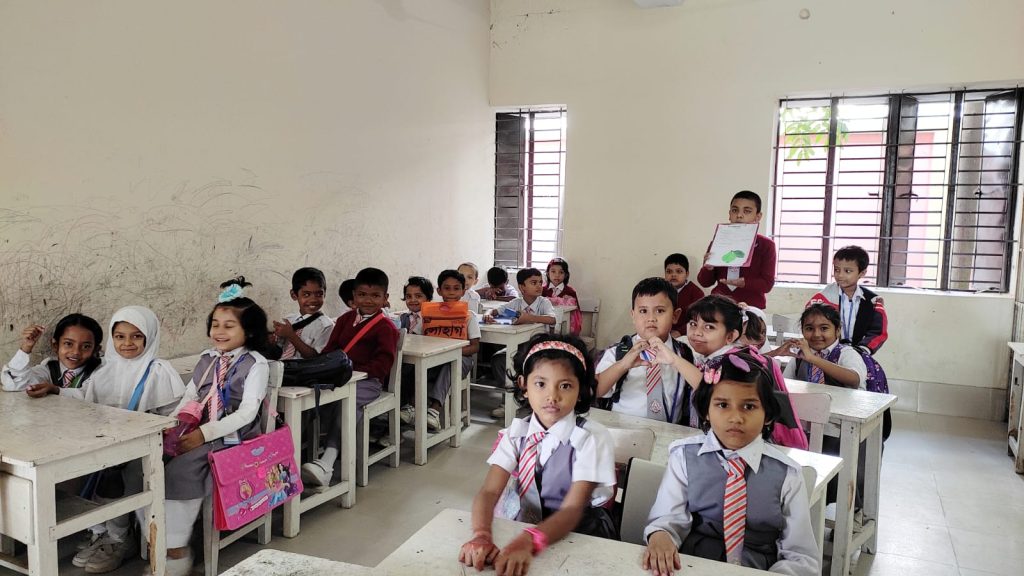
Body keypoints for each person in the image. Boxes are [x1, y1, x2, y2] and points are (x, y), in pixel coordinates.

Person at [642, 350, 818, 576]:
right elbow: (668, 517)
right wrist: (661, 536)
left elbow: (801, 557)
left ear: (767, 415)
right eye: (723, 405)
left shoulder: (788, 474)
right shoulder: (683, 456)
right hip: (690, 565)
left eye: (749, 406)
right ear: (706, 411)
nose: (735, 418)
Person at [459, 334, 617, 576]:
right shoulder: (516, 433)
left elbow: (572, 509)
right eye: (541, 384)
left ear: (581, 390)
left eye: (565, 386)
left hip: (578, 535)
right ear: (523, 385)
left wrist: (528, 540)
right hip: (524, 531)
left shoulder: (591, 438)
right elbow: (489, 491)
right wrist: (481, 535)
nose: (552, 396)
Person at [158, 278, 273, 576]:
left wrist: (204, 434)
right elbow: (190, 397)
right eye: (215, 324)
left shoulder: (255, 364)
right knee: (149, 463)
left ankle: (177, 550)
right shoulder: (207, 359)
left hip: (234, 435)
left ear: (249, 331)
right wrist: (173, 426)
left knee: (180, 469)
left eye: (229, 326)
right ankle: (157, 536)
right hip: (200, 427)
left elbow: (247, 413)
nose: (219, 332)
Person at [63, 306, 186, 574]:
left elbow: (175, 416)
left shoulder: (158, 371)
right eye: (119, 336)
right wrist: (56, 391)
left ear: (149, 337)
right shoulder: (105, 369)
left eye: (136, 336)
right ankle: (100, 532)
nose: (127, 343)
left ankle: (119, 538)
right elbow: (85, 397)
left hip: (146, 448)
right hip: (107, 442)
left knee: (123, 477)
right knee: (87, 468)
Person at [303, 267, 399, 486]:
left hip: (367, 382)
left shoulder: (386, 328)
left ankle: (327, 463)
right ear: (354, 296)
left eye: (375, 295)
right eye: (362, 294)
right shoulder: (345, 319)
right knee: (310, 397)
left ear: (385, 298)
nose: (368, 300)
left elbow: (382, 366)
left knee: (347, 403)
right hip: (339, 378)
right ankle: (301, 454)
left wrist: (350, 371)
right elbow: (330, 350)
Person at [595, 277, 701, 424]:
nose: (651, 318)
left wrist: (675, 361)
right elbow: (596, 391)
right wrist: (622, 365)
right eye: (643, 311)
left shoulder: (685, 354)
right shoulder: (617, 352)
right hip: (622, 429)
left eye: (660, 311)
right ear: (633, 316)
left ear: (675, 315)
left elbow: (705, 391)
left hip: (670, 431)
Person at [697, 191, 776, 309]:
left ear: (758, 216)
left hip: (751, 307)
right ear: (729, 214)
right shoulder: (718, 242)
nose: (739, 215)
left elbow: (767, 284)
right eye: (735, 210)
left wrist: (744, 283)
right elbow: (704, 282)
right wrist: (707, 268)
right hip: (719, 306)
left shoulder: (766, 245)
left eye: (747, 211)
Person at [806, 245, 888, 354]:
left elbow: (878, 332)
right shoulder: (822, 299)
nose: (840, 275)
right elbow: (810, 327)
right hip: (825, 355)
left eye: (847, 271)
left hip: (859, 354)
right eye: (837, 270)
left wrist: (863, 350)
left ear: (862, 273)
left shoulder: (873, 301)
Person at [2, 313, 103, 394]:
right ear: (55, 345)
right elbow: (14, 385)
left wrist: (56, 390)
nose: (76, 352)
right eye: (68, 344)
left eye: (86, 346)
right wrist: (26, 348)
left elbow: (89, 396)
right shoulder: (49, 368)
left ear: (96, 350)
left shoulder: (101, 372)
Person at [272, 267, 335, 359]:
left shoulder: (327, 326)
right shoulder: (289, 320)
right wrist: (273, 340)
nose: (313, 300)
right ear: (294, 295)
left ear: (324, 294)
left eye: (319, 294)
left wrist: (291, 336)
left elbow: (316, 358)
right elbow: (279, 350)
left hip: (307, 367)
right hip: (282, 365)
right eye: (306, 294)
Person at [664, 253, 705, 338]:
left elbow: (699, 319)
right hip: (663, 332)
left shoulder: (696, 293)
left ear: (687, 274)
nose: (673, 275)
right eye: (669, 272)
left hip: (688, 334)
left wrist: (679, 332)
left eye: (679, 271)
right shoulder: (660, 291)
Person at [543, 257, 582, 336]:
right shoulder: (542, 290)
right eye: (553, 271)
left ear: (566, 275)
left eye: (561, 272)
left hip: (565, 330)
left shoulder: (570, 291)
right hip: (544, 330)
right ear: (547, 273)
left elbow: (576, 314)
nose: (557, 275)